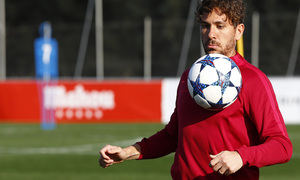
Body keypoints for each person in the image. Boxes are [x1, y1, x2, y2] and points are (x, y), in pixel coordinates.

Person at [98, 0, 293, 179]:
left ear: (239, 31)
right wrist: (128, 152)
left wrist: (241, 156)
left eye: (220, 26)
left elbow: (282, 146)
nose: (211, 34)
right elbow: (173, 136)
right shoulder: (189, 77)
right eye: (205, 25)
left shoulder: (252, 79)